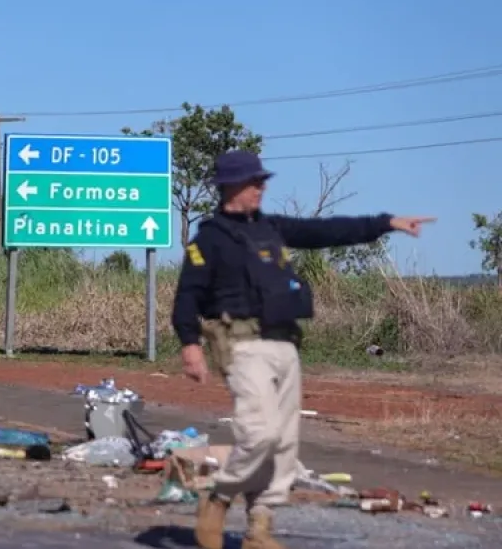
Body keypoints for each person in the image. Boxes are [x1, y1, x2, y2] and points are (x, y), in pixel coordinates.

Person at [172, 150, 433, 549]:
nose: (262, 187)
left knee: (284, 442)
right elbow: (187, 297)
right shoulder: (208, 239)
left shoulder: (271, 228)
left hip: (285, 345)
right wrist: (190, 345)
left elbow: (327, 231)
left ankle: (260, 525)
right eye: (254, 181)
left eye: (262, 180)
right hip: (242, 346)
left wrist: (387, 224)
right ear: (231, 187)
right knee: (259, 435)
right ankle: (219, 496)